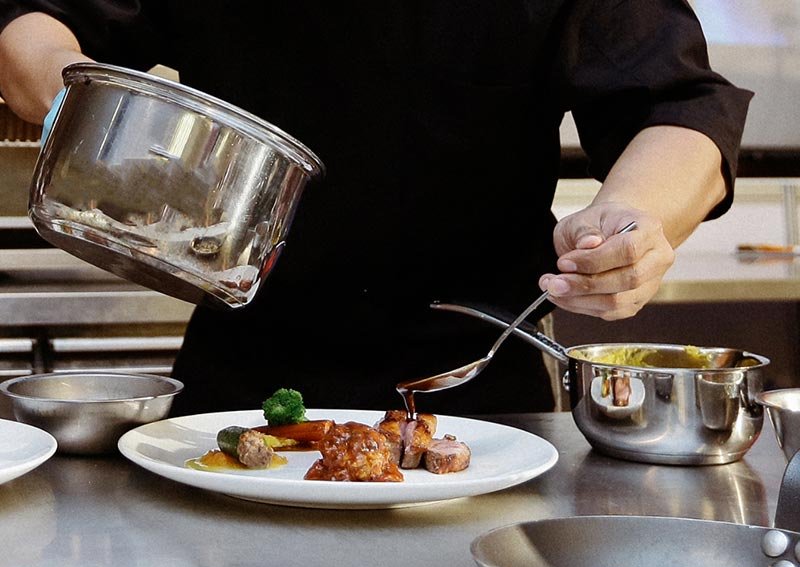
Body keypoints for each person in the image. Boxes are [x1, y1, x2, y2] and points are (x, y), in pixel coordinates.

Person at [0, 2, 753, 416]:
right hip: (243, 381)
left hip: (481, 388)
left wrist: (632, 216)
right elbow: (33, 17)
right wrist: (75, 99)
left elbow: (680, 104)